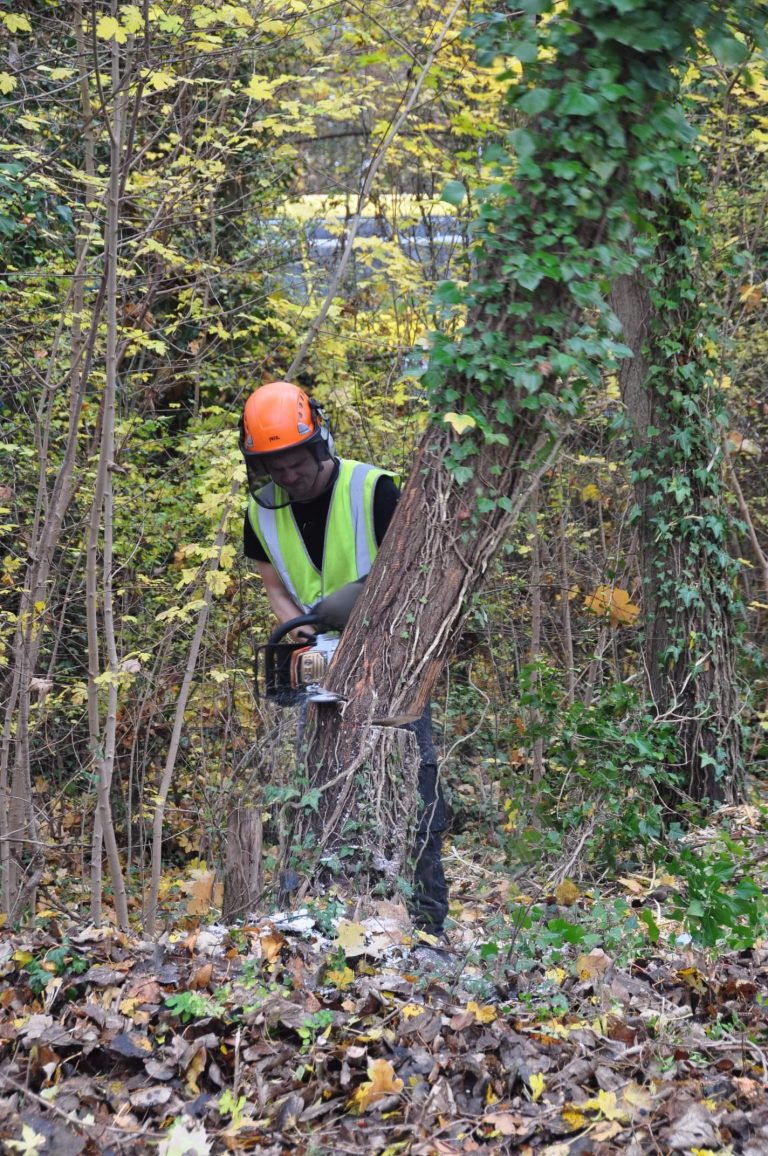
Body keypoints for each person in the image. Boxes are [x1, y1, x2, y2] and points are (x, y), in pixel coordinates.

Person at [240, 380, 448, 937]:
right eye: (273, 467)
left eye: (296, 462)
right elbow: (275, 587)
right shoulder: (261, 513)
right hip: (322, 667)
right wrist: (303, 631)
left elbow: (418, 571)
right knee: (319, 791)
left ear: (319, 445)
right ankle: (332, 920)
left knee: (414, 786)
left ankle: (430, 925)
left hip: (391, 660)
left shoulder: (372, 489)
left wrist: (360, 602)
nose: (288, 476)